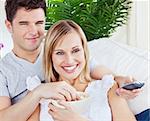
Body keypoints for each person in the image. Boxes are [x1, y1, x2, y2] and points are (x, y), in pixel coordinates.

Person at [0, 0, 142, 121]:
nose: (33, 31)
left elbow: (95, 70)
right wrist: (38, 92)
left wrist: (121, 81)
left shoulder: (107, 87)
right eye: (24, 23)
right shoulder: (11, 75)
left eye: (39, 22)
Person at [27, 19, 136, 121]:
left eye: (75, 50)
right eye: (60, 53)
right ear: (50, 57)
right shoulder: (40, 92)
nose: (69, 61)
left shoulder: (108, 88)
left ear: (84, 52)